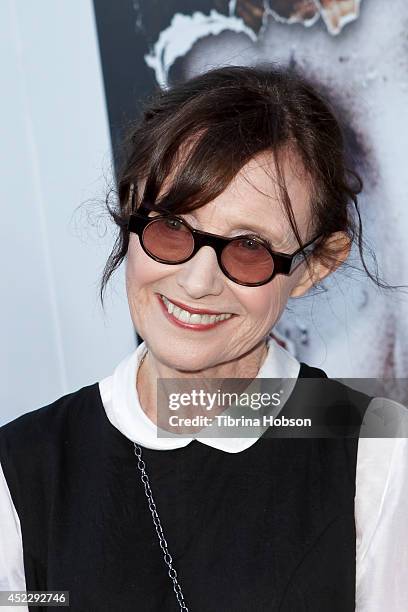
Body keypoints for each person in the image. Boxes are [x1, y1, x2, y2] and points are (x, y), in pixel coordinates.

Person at [0, 64, 407, 612]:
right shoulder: (22, 470)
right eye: (171, 228)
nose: (196, 281)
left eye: (248, 248)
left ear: (314, 267)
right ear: (130, 213)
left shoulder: (378, 451)